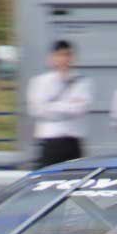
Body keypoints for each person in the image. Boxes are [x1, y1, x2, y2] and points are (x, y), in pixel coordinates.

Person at [27, 40, 92, 168]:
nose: (64, 59)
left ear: (73, 58)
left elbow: (79, 109)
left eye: (67, 55)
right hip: (50, 143)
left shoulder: (82, 82)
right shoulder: (39, 82)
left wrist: (51, 106)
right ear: (51, 58)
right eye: (60, 55)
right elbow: (36, 110)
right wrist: (67, 105)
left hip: (73, 143)